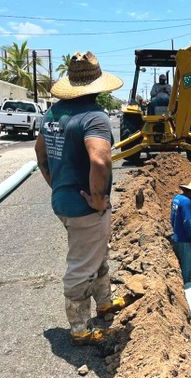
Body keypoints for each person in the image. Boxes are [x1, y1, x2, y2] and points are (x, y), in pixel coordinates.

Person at [34, 51, 126, 345]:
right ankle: (80, 329)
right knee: (81, 265)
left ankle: (104, 302)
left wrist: (55, 183)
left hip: (64, 202)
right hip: (86, 208)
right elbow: (100, 161)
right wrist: (99, 199)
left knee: (97, 254)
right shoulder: (94, 117)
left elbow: (40, 153)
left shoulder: (52, 114)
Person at [170, 180, 191, 283]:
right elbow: (187, 221)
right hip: (184, 239)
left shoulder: (177, 198)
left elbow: (172, 217)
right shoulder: (187, 202)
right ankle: (186, 286)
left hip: (175, 236)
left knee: (179, 264)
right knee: (186, 267)